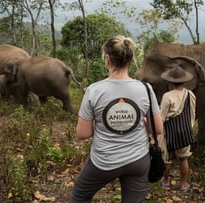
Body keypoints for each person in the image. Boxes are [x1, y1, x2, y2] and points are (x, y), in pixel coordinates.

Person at [70, 35, 163, 203]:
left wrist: (101, 122)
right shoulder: (146, 89)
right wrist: (140, 121)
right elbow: (157, 129)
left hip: (104, 161)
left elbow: (82, 133)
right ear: (130, 59)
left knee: (80, 195)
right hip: (138, 160)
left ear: (107, 58)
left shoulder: (94, 90)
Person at [158, 66, 196, 193]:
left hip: (169, 132)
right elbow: (192, 114)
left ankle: (166, 181)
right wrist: (188, 129)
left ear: (170, 81)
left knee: (167, 158)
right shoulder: (190, 94)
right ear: (184, 81)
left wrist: (157, 134)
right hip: (185, 131)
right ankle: (183, 184)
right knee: (184, 158)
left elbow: (161, 117)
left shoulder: (167, 96)